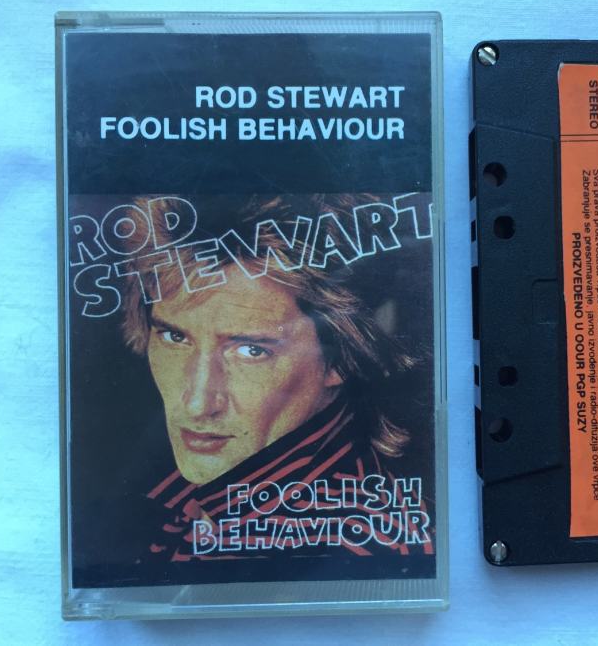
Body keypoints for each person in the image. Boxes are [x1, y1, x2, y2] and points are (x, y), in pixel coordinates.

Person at [117, 193, 434, 563]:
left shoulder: (356, 543)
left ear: (342, 359)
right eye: (175, 337)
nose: (198, 403)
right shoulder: (166, 505)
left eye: (251, 350)